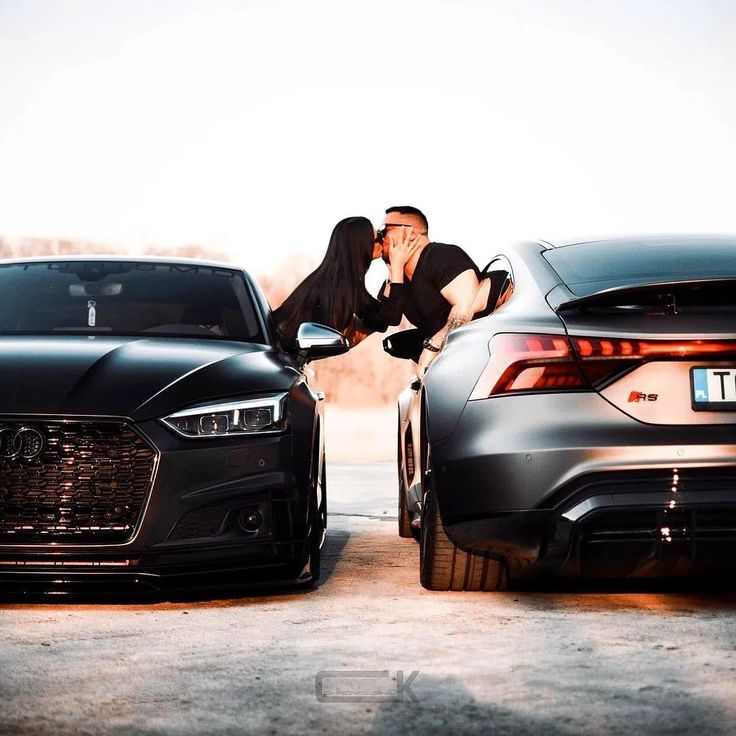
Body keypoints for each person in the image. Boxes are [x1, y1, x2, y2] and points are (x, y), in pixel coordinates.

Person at [377, 205, 498, 376]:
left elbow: (465, 304)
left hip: (486, 360)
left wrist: (432, 348)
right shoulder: (396, 281)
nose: (379, 237)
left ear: (411, 233)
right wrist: (393, 268)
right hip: (452, 368)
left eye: (384, 230)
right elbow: (381, 319)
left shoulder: (440, 255)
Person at [274, 215, 419, 347]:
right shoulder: (340, 288)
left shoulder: (337, 281)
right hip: (276, 357)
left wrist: (393, 272)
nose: (382, 241)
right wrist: (397, 267)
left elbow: (381, 321)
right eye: (377, 238)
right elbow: (390, 318)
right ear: (362, 246)